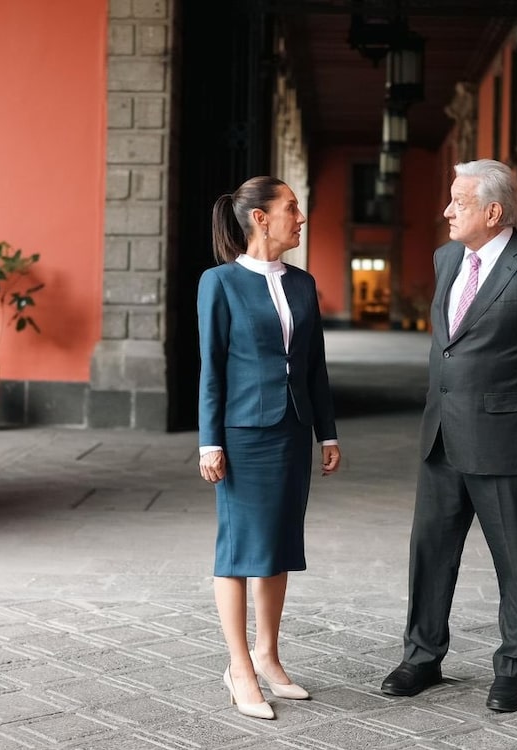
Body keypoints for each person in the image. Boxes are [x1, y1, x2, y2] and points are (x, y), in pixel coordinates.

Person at [380, 159, 517, 713]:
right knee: (429, 553)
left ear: (493, 212)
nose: (446, 210)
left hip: (511, 446)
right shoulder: (448, 258)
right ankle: (421, 657)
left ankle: (516, 668)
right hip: (441, 438)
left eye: (459, 201)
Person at [198, 176, 341, 720]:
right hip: (241, 435)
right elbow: (211, 369)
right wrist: (209, 442)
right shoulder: (220, 283)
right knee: (238, 550)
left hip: (291, 431)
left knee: (278, 544)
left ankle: (269, 656)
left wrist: (327, 433)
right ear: (259, 218)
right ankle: (238, 667)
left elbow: (316, 368)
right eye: (292, 208)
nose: (300, 217)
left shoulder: (303, 284)